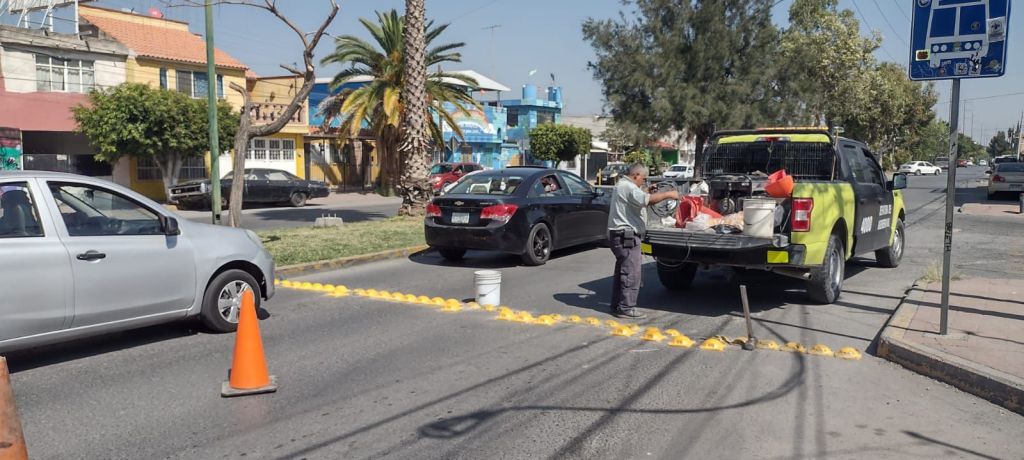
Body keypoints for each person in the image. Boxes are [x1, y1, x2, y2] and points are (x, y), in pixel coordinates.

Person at [607, 163, 680, 318]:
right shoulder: (628, 186)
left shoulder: (622, 185)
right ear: (636, 175)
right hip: (626, 235)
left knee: (623, 271)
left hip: (619, 235)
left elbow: (638, 197)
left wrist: (647, 191)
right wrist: (669, 194)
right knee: (631, 272)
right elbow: (646, 201)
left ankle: (617, 305)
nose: (643, 182)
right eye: (643, 179)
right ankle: (627, 308)